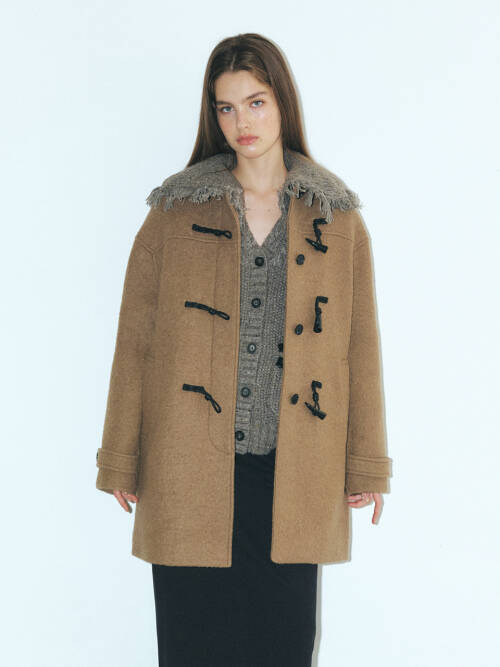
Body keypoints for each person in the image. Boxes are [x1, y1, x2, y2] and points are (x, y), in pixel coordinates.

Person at [95, 32, 393, 667]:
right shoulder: (174, 212)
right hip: (188, 470)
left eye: (256, 102)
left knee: (283, 651)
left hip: (295, 476)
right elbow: (135, 341)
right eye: (226, 107)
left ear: (282, 102)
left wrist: (365, 463)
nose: (241, 123)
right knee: (191, 651)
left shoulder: (336, 218)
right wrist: (120, 456)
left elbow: (359, 347)